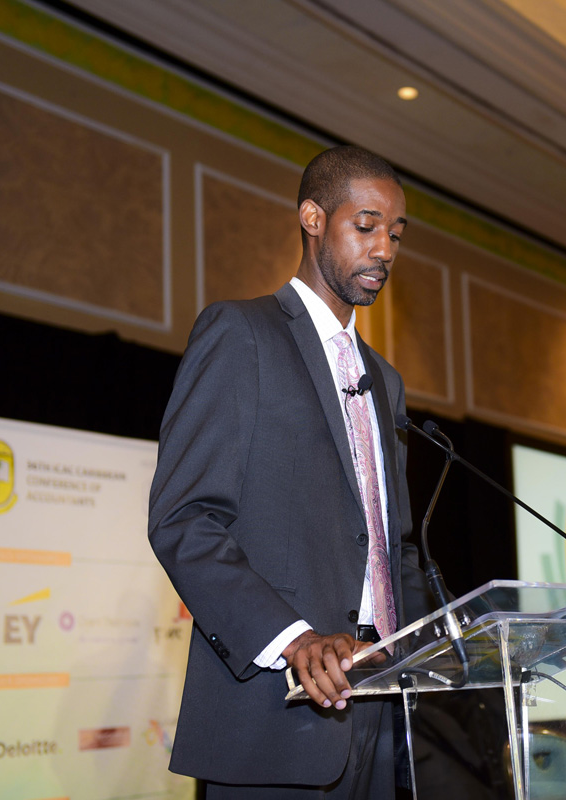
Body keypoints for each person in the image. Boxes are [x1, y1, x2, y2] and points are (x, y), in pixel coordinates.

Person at [147, 145, 430, 798]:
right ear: (312, 218)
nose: (383, 249)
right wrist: (294, 639)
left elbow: (393, 546)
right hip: (276, 709)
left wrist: (445, 640)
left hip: (378, 702)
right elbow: (183, 519)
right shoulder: (241, 334)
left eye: (395, 234)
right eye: (366, 226)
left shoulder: (384, 381)